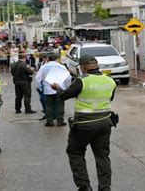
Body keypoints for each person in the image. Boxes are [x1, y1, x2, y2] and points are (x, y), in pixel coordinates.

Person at [51, 55, 117, 191]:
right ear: (96, 66)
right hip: (105, 123)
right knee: (102, 156)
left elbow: (64, 96)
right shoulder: (110, 81)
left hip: (84, 125)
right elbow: (109, 98)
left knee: (75, 152)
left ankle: (84, 186)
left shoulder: (82, 81)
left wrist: (57, 88)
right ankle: (105, 187)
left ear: (83, 67)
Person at [35, 53, 70, 127]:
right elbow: (68, 78)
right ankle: (60, 121)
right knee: (60, 105)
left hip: (48, 89)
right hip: (59, 89)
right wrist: (66, 87)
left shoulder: (44, 67)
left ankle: (49, 121)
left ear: (48, 59)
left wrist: (39, 87)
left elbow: (37, 78)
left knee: (49, 106)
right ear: (56, 59)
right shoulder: (61, 66)